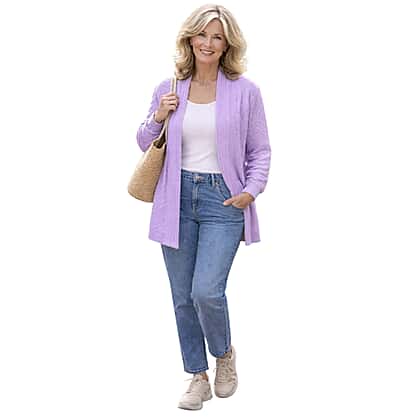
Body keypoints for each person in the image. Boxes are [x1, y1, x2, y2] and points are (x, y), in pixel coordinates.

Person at [136, 4, 271, 410]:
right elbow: (144, 142)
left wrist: (251, 189)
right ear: (190, 38)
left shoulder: (246, 92)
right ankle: (197, 376)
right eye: (202, 35)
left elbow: (260, 149)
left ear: (227, 44)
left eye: (217, 37)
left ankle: (224, 354)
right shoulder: (169, 87)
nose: (208, 43)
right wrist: (158, 115)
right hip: (175, 199)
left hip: (222, 200)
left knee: (206, 291)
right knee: (182, 297)